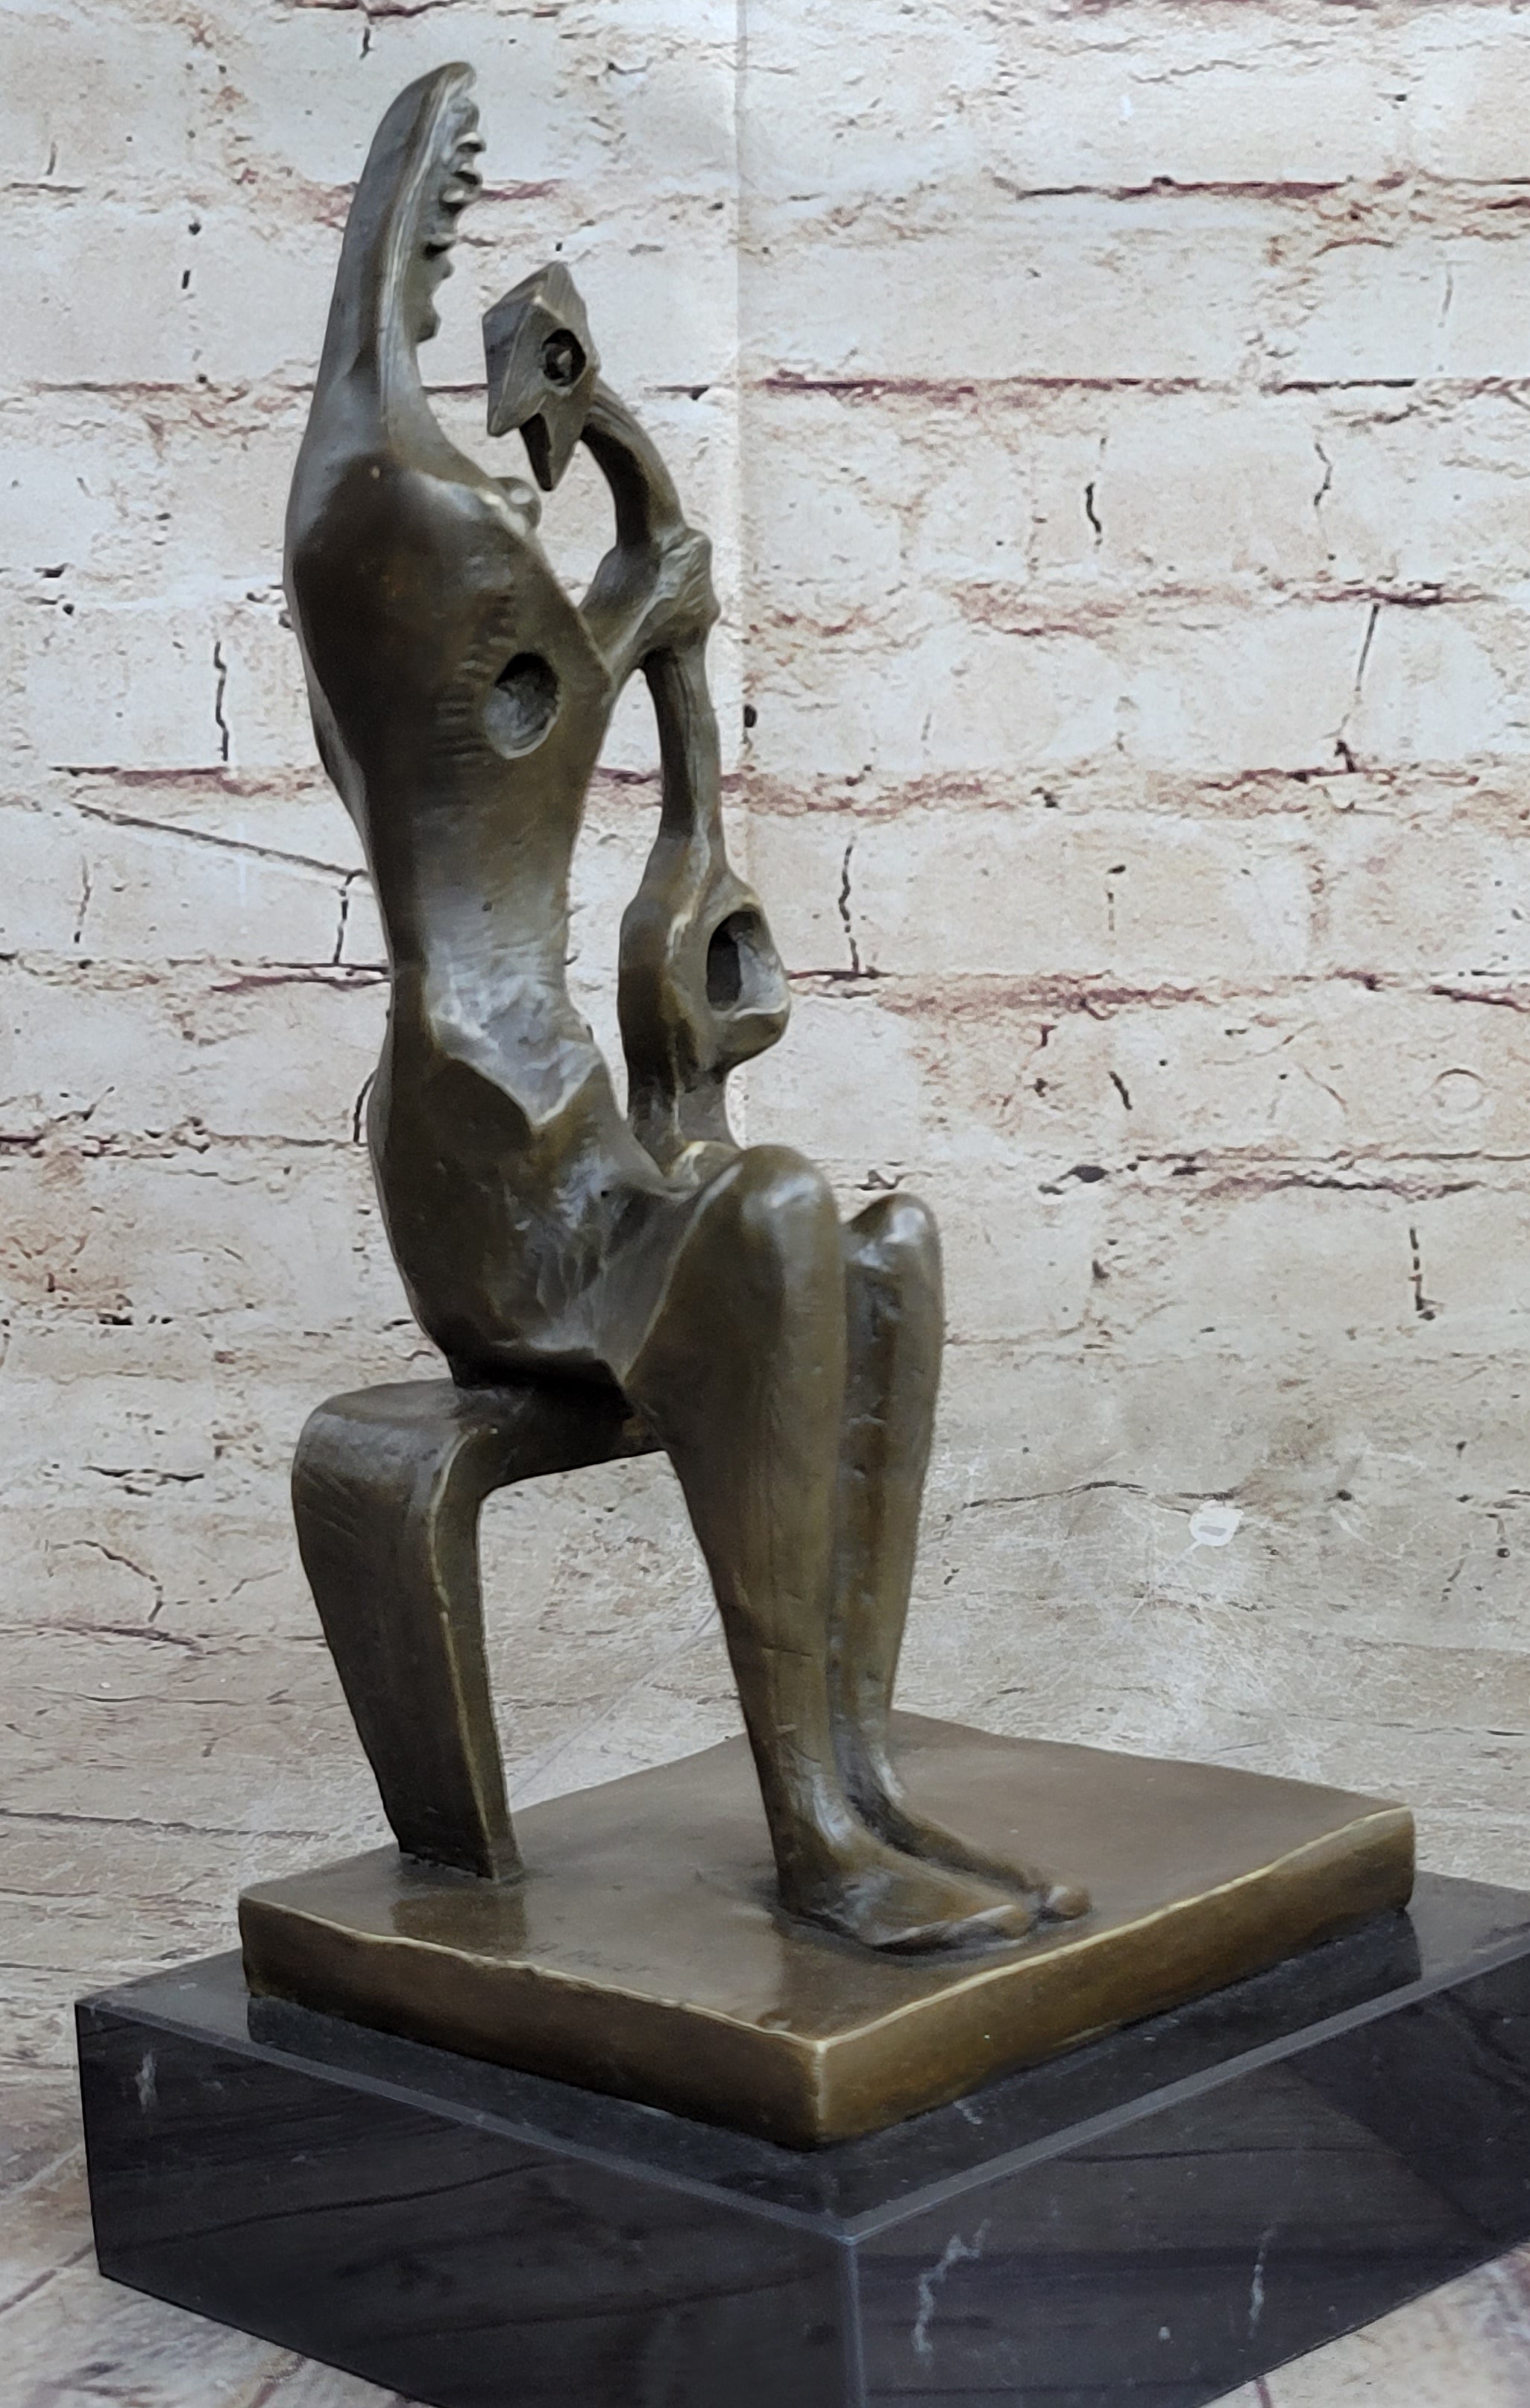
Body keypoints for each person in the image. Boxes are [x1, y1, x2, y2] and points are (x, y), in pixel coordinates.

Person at [285, 65, 1086, 1951]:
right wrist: (643, 592)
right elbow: (520, 729)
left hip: (573, 1129)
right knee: (780, 1210)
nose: (515, 493)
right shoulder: (377, 534)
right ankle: (811, 1832)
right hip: (494, 1167)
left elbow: (544, 698)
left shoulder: (432, 560)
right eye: (427, 236)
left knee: (885, 1244)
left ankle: (858, 1775)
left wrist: (642, 592)